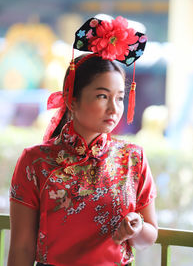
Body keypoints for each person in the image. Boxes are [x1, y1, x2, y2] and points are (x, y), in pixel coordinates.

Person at [8, 16, 158, 266]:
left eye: (119, 98)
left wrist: (136, 228)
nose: (114, 108)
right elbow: (22, 248)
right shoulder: (36, 162)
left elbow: (147, 239)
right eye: (102, 96)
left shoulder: (133, 158)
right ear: (72, 99)